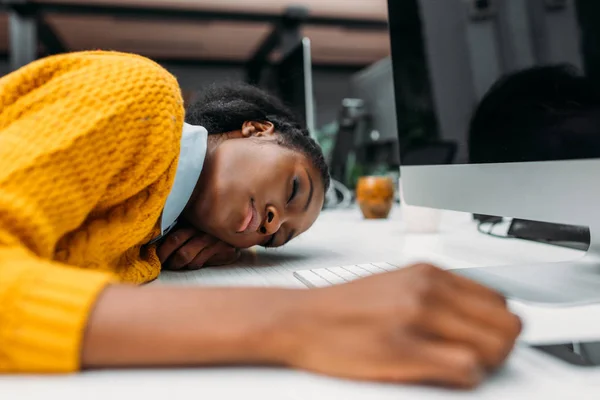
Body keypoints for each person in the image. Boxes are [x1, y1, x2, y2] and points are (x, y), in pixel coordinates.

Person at [0, 51, 520, 388]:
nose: (273, 223)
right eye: (293, 188)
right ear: (255, 129)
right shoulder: (141, 97)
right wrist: (299, 320)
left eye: (278, 237)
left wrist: (218, 239)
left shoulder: (146, 234)